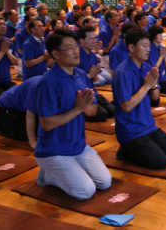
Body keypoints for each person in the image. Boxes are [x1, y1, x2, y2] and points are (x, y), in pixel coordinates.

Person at [33, 29, 112, 200]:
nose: (76, 51)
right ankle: (48, 175)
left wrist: (85, 106)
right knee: (86, 191)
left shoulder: (81, 75)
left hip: (78, 145)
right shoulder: (48, 82)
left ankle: (66, 171)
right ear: (55, 54)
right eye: (69, 48)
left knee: (105, 182)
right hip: (53, 150)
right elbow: (47, 124)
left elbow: (91, 111)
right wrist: (77, 109)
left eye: (76, 46)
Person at [112, 28, 166, 169]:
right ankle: (125, 149)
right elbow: (126, 106)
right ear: (131, 47)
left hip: (148, 125)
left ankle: (138, 148)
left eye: (148, 45)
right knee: (159, 162)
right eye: (144, 46)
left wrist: (153, 86)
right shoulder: (122, 72)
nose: (148, 49)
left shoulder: (146, 67)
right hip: (131, 130)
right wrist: (146, 86)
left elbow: (155, 99)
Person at [0, 76, 40, 144]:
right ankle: (0, 121)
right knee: (24, 135)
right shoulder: (36, 87)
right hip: (8, 106)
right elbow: (30, 116)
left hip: (22, 106)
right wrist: (32, 142)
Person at [147, 25, 166, 94]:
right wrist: (161, 56)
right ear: (154, 36)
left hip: (165, 77)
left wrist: (164, 56)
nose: (162, 37)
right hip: (158, 80)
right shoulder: (150, 49)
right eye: (160, 35)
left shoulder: (161, 47)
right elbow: (154, 68)